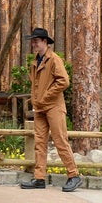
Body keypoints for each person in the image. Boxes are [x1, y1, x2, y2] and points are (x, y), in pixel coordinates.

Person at [20, 27, 82, 192]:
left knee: (60, 141)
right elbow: (35, 85)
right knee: (40, 144)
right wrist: (36, 101)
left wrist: (45, 96)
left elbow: (64, 81)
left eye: (36, 41)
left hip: (54, 107)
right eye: (32, 41)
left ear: (45, 42)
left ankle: (74, 175)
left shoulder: (54, 59)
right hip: (40, 109)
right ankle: (39, 178)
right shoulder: (35, 61)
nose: (33, 43)